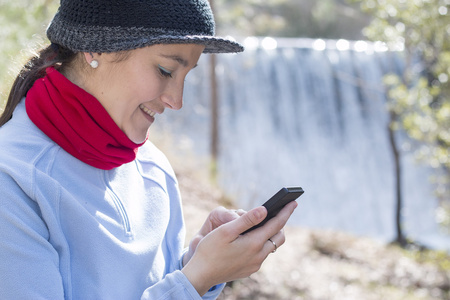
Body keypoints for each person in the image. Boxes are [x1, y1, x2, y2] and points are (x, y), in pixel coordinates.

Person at [0, 0, 298, 299]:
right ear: (95, 48)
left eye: (187, 74)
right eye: (165, 70)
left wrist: (196, 262)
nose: (176, 100)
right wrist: (194, 280)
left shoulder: (152, 166)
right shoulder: (12, 182)